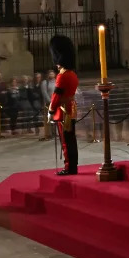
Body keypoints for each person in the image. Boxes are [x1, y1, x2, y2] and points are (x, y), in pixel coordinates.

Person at [49, 35, 80, 175]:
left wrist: (50, 111)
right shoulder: (72, 74)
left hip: (63, 111)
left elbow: (56, 96)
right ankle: (73, 166)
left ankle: (69, 167)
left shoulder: (62, 75)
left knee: (66, 141)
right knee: (71, 139)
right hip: (71, 109)